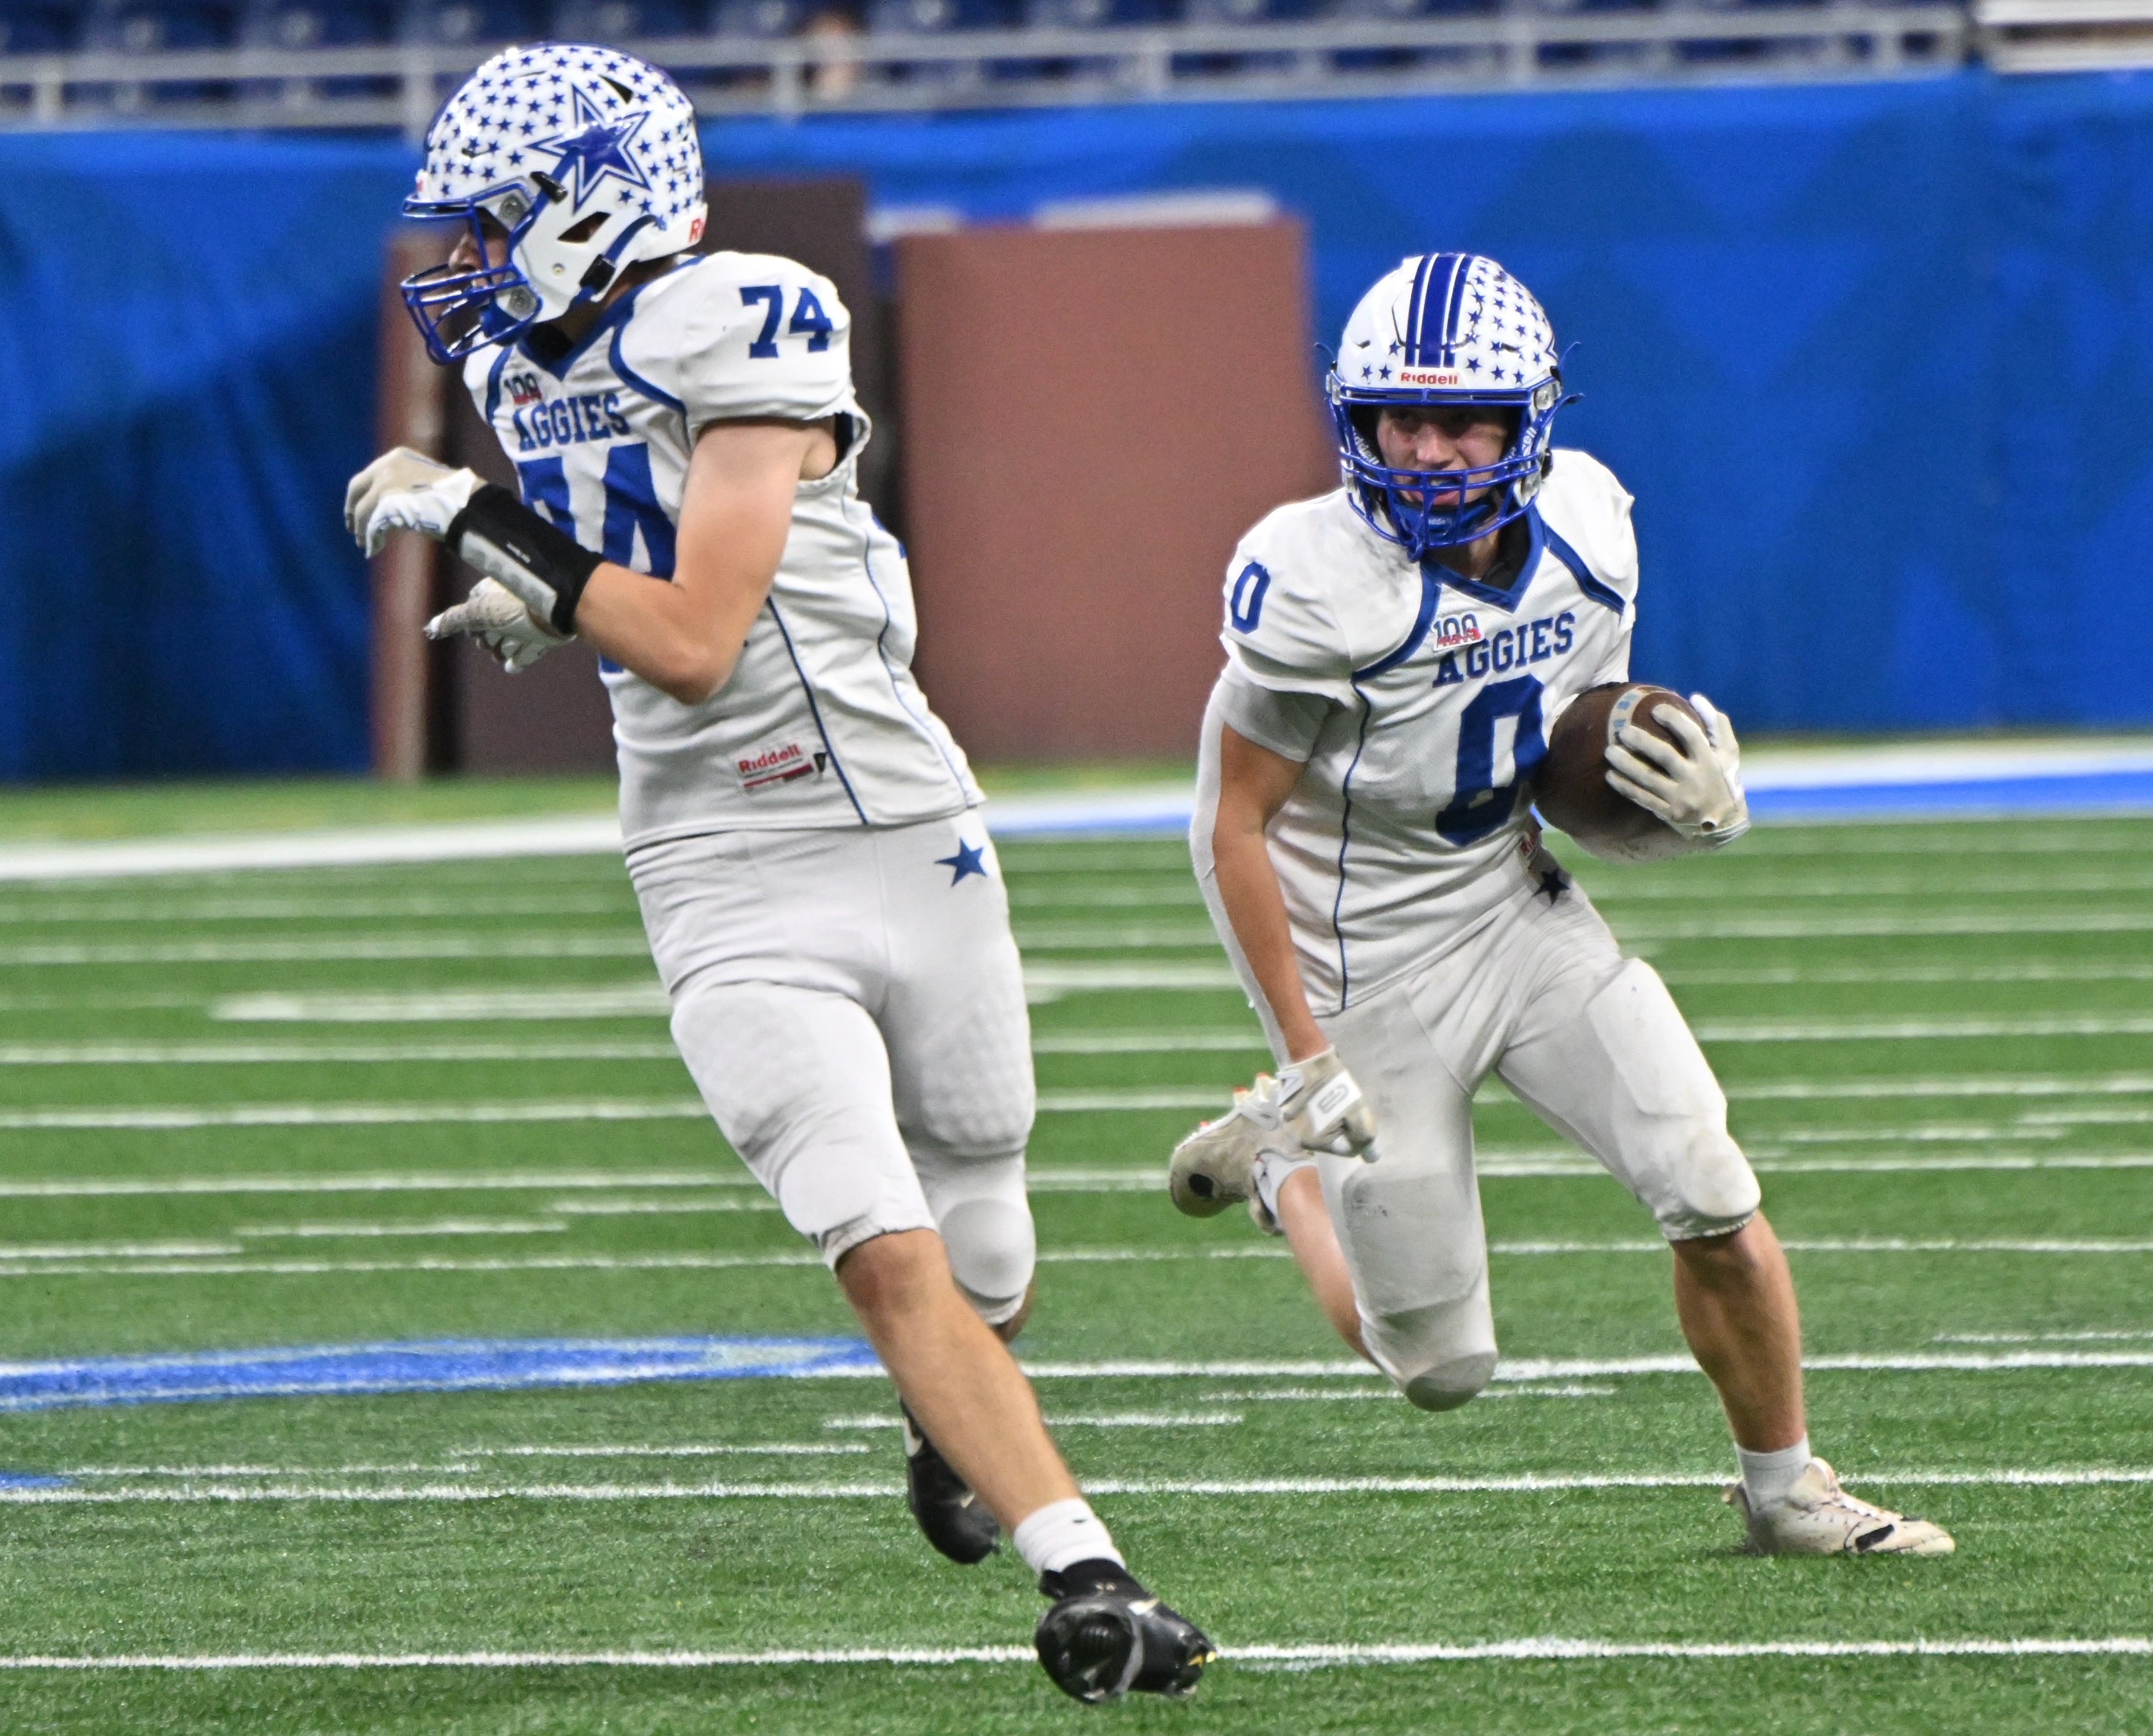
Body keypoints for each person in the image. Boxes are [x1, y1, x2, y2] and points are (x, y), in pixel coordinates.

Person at [342, 44, 1212, 1700]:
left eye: (496, 217)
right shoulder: (532, 371)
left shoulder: (739, 311)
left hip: (898, 826)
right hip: (719, 867)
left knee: (984, 1223)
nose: (463, 256)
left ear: (595, 201)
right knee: (879, 1245)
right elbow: (640, 602)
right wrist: (543, 589)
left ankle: (954, 1424)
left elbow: (689, 630)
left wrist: (488, 533)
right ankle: (1089, 1575)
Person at [1169, 251, 1954, 1558]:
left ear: (1527, 420)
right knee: (1435, 1366)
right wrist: (1305, 1057)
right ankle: (1288, 1174)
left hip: (1513, 909)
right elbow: (1230, 824)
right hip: (1365, 963)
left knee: (1707, 1182)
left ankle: (1786, 1491)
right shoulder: (1312, 578)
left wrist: (1689, 809)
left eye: (1459, 421)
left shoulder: (1586, 524)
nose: (1424, 454)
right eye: (1397, 422)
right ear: (1351, 423)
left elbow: (1572, 755)